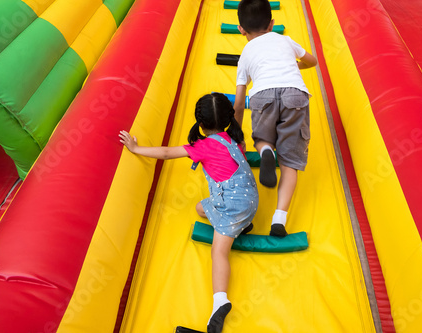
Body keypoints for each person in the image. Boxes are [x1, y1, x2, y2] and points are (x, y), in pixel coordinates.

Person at [119, 93, 258, 333]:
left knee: (219, 253)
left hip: (233, 207)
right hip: (251, 201)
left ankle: (220, 302)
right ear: (228, 119)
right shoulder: (234, 138)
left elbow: (165, 153)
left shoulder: (202, 146)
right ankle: (243, 224)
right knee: (200, 208)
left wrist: (136, 147)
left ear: (200, 123)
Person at [234, 0, 317, 237]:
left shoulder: (246, 53)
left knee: (262, 137)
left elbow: (239, 102)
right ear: (272, 24)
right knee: (290, 162)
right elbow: (312, 61)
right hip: (295, 94)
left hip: (263, 95)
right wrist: (294, 66)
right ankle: (279, 219)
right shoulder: (284, 39)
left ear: (240, 29)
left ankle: (265, 151)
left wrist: (237, 132)